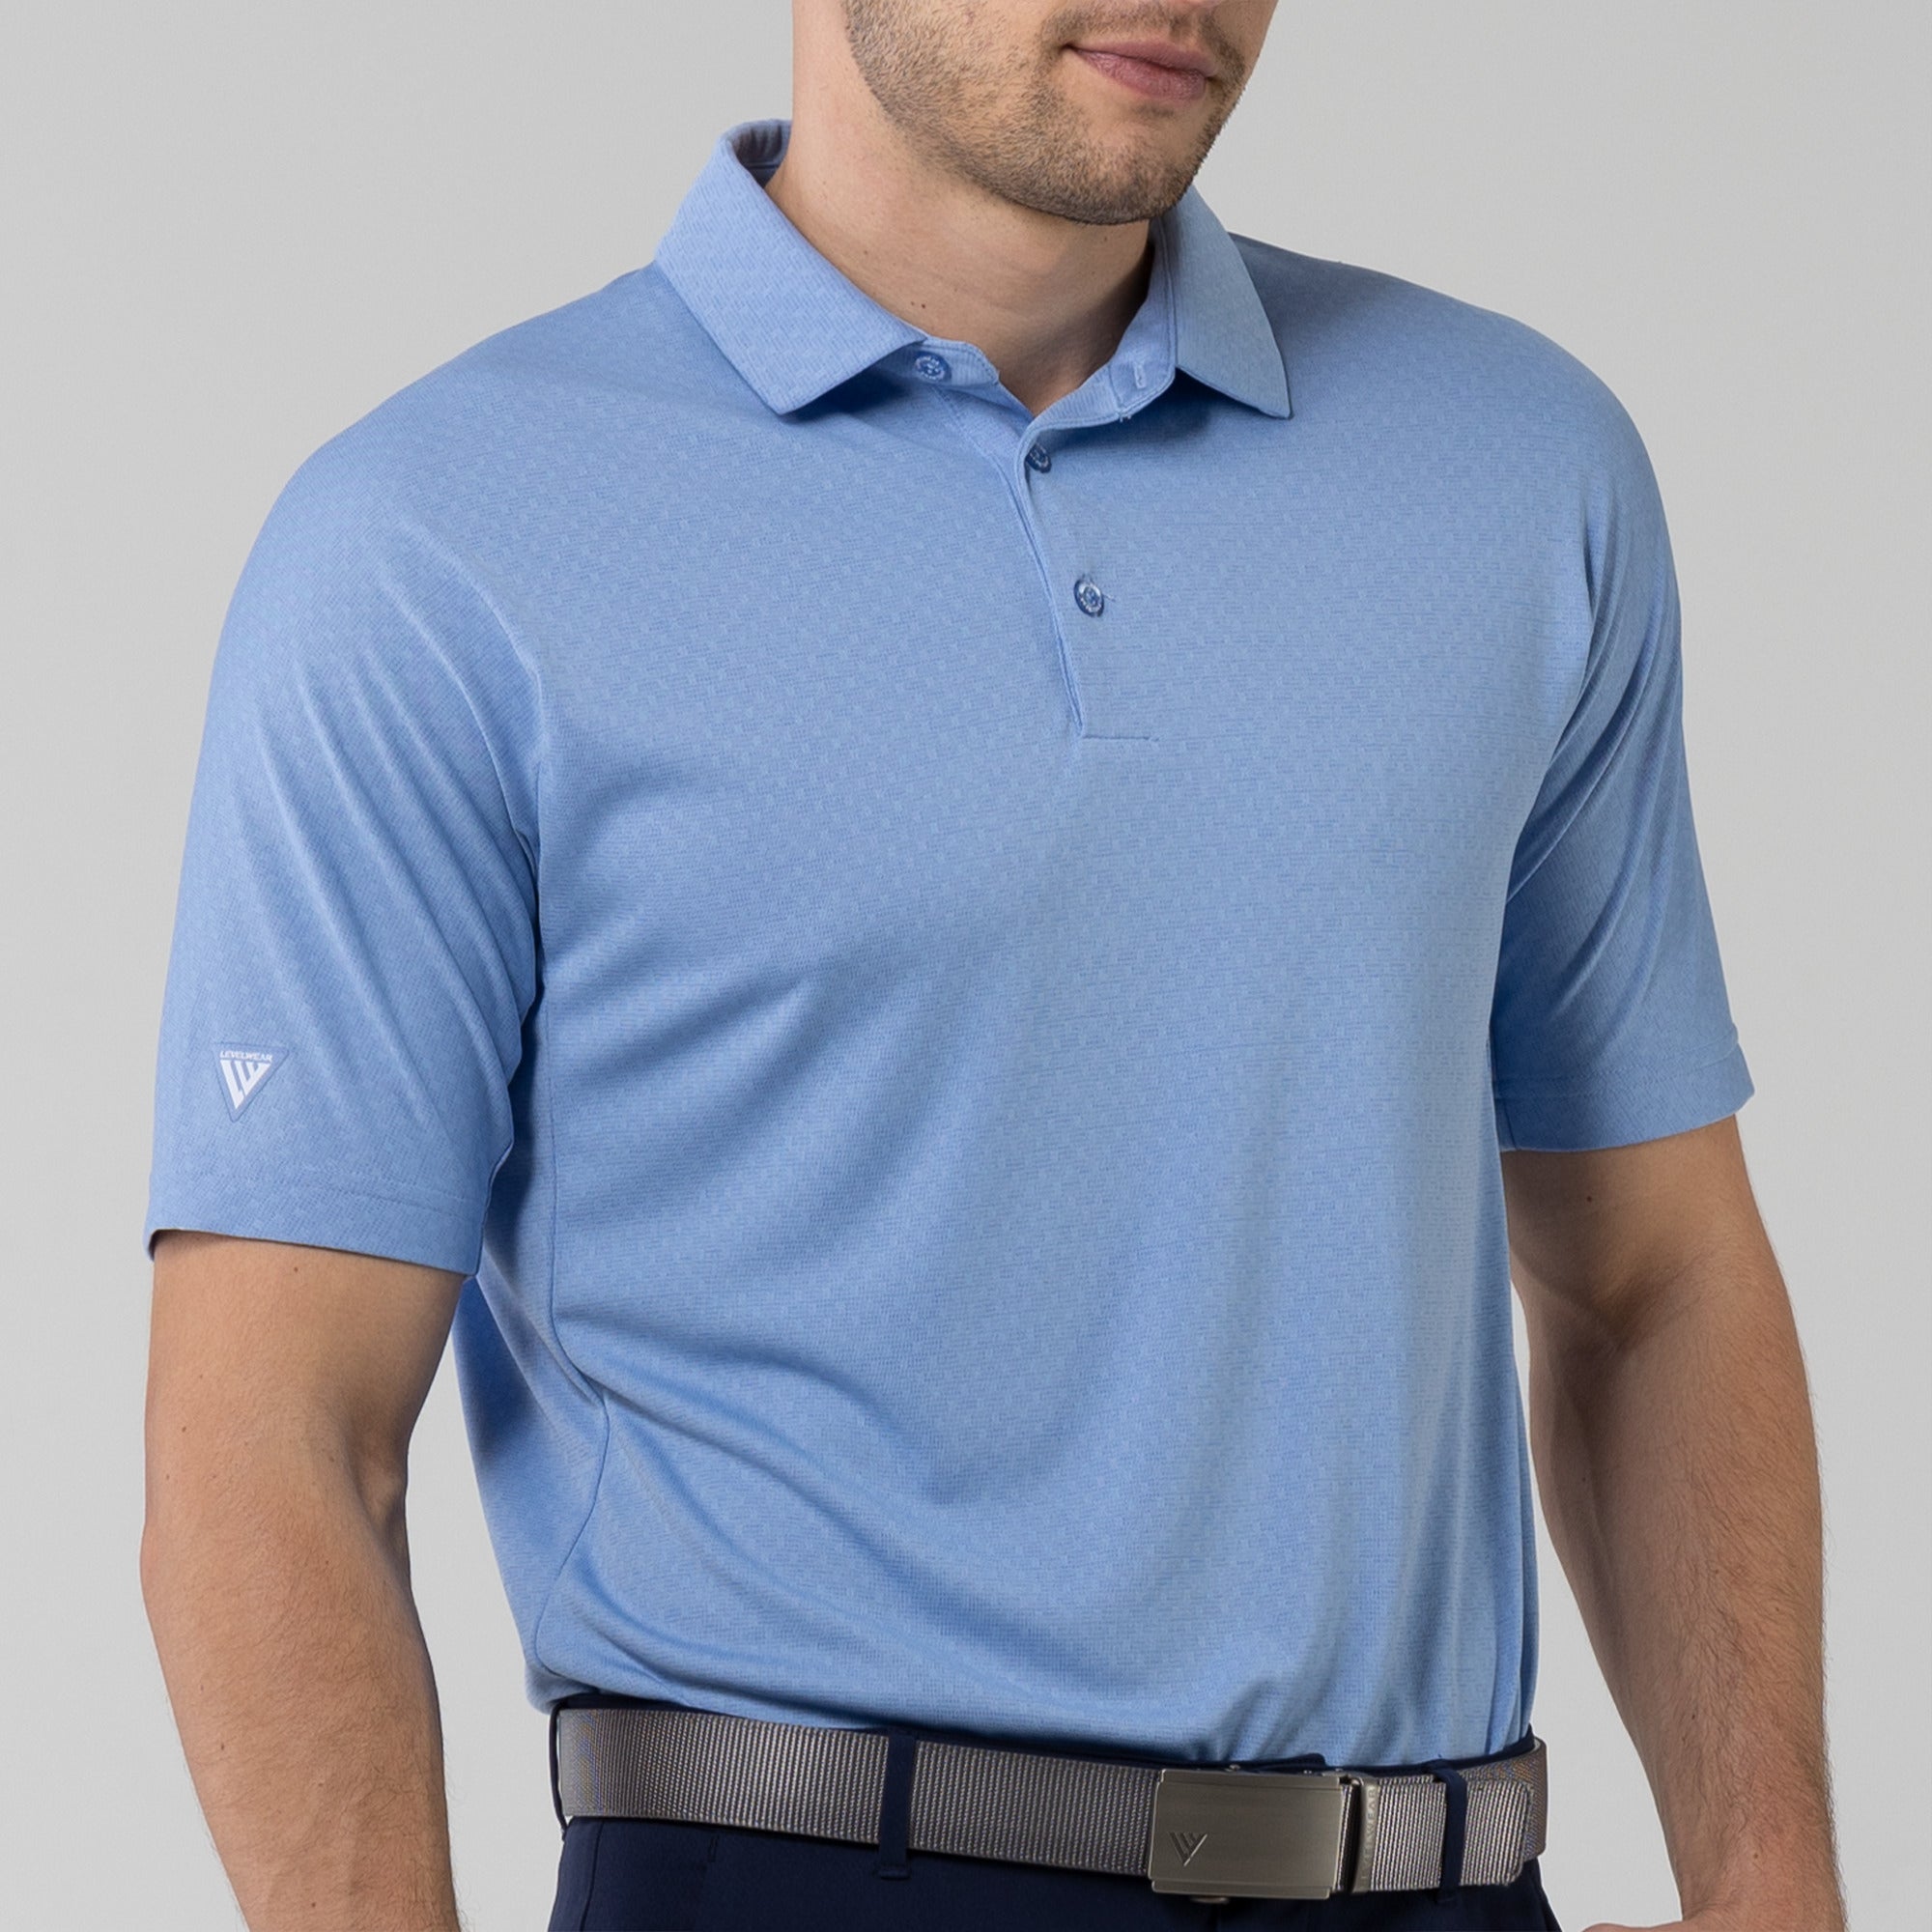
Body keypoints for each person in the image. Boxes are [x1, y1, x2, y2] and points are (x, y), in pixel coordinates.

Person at [137, 4, 1847, 1929]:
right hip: (794, 1882)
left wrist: (1773, 1879)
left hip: (1444, 1878)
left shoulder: (1518, 469)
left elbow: (1651, 1273)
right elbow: (272, 1440)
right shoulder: (435, 540)